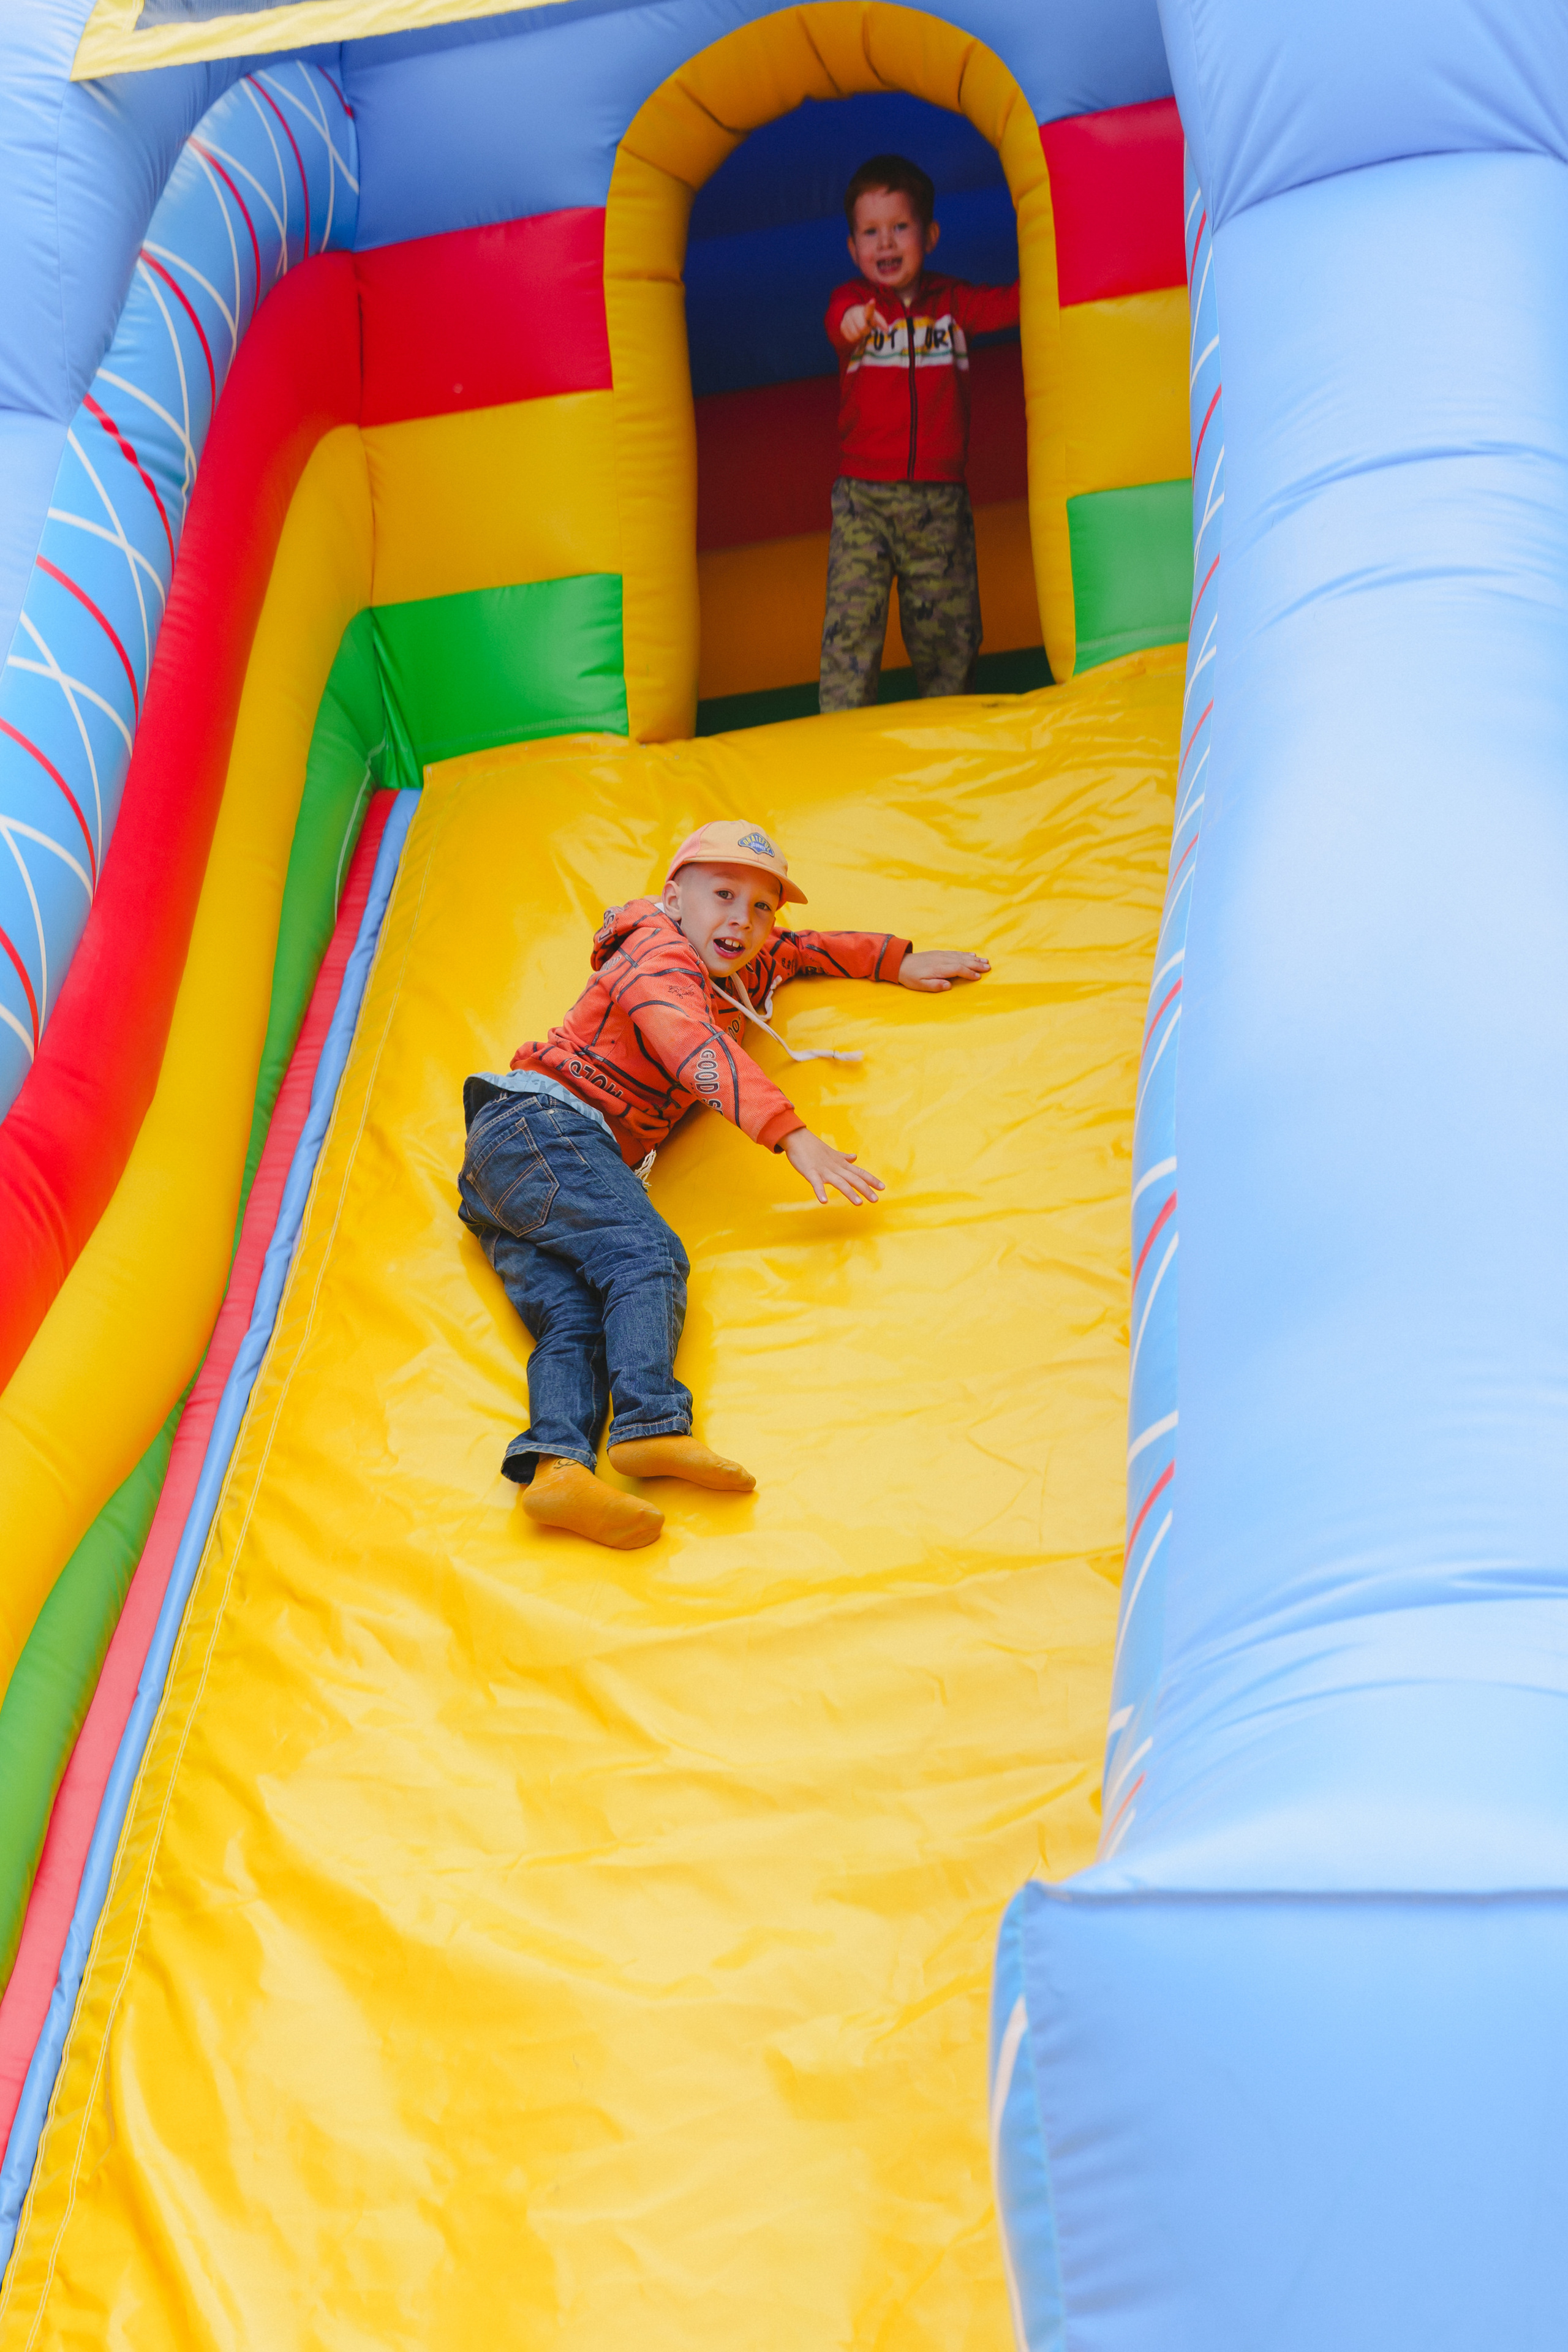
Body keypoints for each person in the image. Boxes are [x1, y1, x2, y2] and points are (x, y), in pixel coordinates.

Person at [458, 819, 989, 1550]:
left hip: (512, 1182)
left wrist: (894, 962)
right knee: (645, 1258)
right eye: (722, 895)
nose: (742, 918)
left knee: (573, 1322)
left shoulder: (743, 966)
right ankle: (650, 1424)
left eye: (763, 906)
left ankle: (557, 1472)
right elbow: (688, 1042)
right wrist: (791, 1135)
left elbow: (806, 951)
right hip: (540, 1128)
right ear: (675, 899)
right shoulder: (655, 956)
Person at [820, 152, 1020, 712]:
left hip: (938, 499)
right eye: (870, 233)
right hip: (865, 499)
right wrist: (855, 323)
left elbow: (1011, 304)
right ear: (853, 247)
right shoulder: (853, 304)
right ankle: (840, 732)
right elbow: (840, 325)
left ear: (929, 235)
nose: (885, 245)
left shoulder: (953, 305)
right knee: (851, 625)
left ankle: (950, 721)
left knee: (949, 630)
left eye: (899, 228)